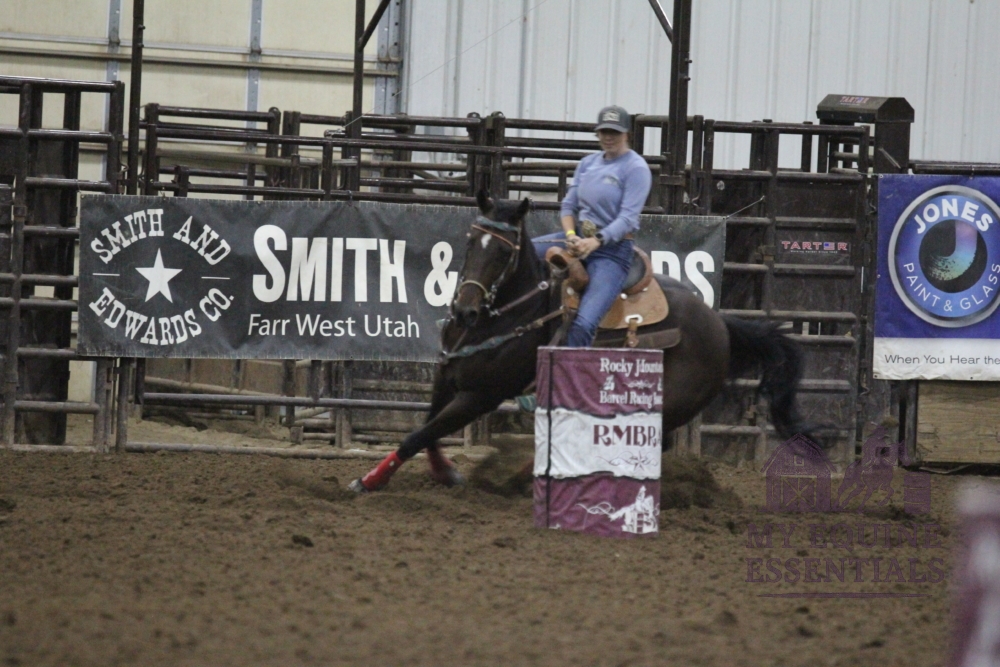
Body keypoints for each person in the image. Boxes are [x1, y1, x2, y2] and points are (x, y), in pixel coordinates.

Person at [533, 105, 652, 347]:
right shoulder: (587, 163)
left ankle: (575, 368)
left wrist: (595, 241)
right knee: (521, 252)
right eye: (604, 132)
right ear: (598, 133)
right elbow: (568, 206)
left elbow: (628, 218)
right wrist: (570, 235)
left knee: (584, 324)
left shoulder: (636, 168)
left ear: (626, 134)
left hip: (612, 252)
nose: (608, 137)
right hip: (577, 239)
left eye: (614, 132)